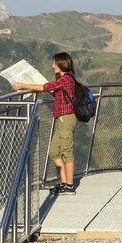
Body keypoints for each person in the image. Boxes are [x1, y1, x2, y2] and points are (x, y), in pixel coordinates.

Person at [11, 52, 78, 195]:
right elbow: (53, 90)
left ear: (61, 63)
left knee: (67, 152)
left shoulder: (67, 79)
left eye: (54, 63)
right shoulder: (64, 80)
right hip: (61, 118)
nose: (52, 65)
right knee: (54, 151)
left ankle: (69, 186)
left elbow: (46, 88)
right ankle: (64, 183)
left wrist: (21, 84)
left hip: (66, 118)